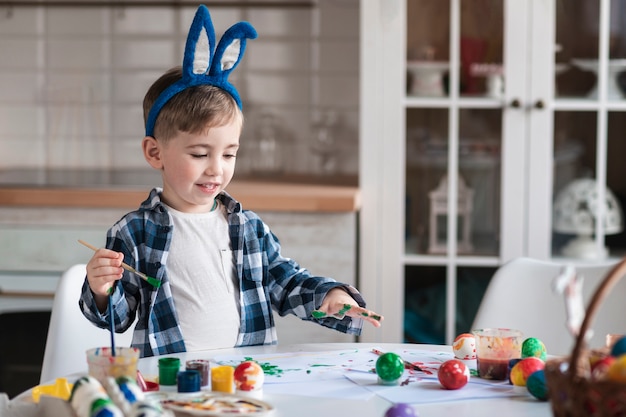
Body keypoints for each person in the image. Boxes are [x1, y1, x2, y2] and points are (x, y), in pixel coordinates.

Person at [79, 5, 383, 358]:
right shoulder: (133, 232)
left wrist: (330, 296)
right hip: (169, 383)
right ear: (155, 153)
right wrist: (101, 290)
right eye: (199, 154)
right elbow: (117, 319)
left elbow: (286, 282)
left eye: (228, 154)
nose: (216, 169)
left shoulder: (248, 227)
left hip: (245, 381)